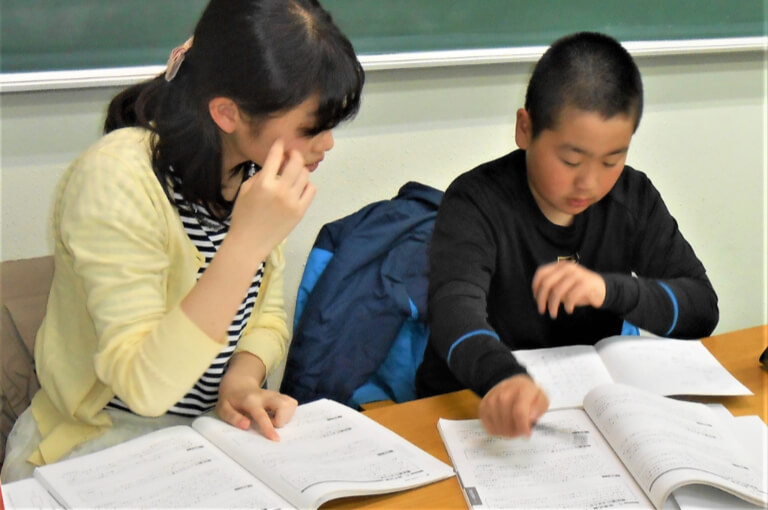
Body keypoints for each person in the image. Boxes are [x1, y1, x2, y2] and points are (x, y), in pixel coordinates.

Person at [1, 0, 364, 482]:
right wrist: (244, 244)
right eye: (311, 128)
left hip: (203, 438)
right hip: (94, 446)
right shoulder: (116, 179)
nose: (327, 145)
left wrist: (241, 377)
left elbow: (267, 316)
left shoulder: (253, 171)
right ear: (227, 113)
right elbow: (145, 386)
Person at [415, 31, 718, 439]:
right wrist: (503, 378)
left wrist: (610, 291)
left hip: (584, 417)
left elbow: (702, 309)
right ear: (525, 129)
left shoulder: (633, 198)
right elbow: (453, 312)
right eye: (570, 159)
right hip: (476, 409)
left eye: (613, 160)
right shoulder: (476, 201)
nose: (589, 183)